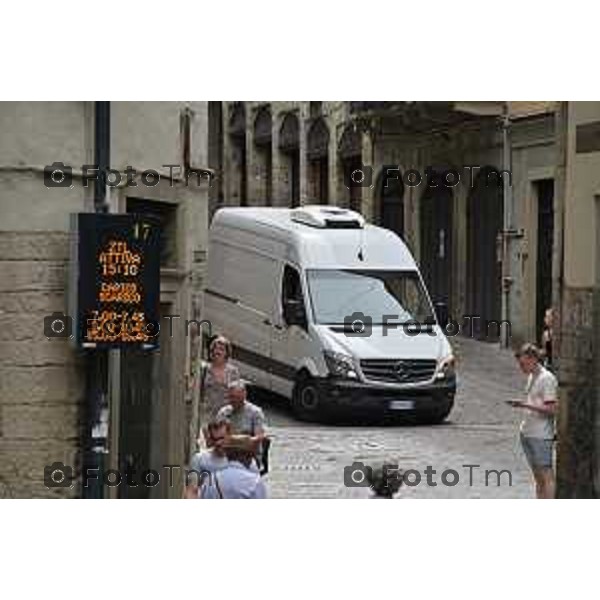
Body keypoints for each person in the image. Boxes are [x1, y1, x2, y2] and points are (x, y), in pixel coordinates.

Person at [508, 343, 558, 499]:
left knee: (546, 476)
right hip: (528, 432)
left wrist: (524, 404)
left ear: (534, 359)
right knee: (538, 478)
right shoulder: (531, 376)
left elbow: (551, 409)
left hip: (541, 435)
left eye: (524, 364)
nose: (521, 368)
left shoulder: (547, 379)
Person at [196, 335, 240, 445]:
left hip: (226, 415)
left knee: (224, 444)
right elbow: (199, 391)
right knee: (210, 444)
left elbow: (237, 393)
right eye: (215, 348)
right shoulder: (205, 369)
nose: (217, 351)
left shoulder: (233, 371)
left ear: (226, 353)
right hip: (208, 415)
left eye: (221, 349)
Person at [199, 435, 268, 499]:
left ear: (227, 455)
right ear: (247, 456)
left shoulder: (210, 480)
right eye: (251, 455)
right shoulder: (255, 482)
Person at [184, 420, 230, 499]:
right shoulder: (199, 459)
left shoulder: (239, 460)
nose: (218, 443)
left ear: (230, 436)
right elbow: (192, 489)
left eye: (221, 438)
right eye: (214, 439)